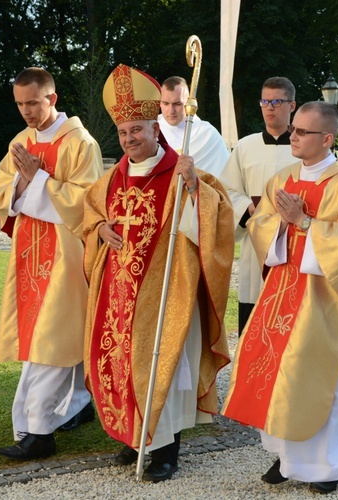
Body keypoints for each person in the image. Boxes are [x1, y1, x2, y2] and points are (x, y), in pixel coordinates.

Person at [83, 64, 233, 483]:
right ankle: (133, 435)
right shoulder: (112, 178)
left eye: (137, 130)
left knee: (160, 360)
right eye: (123, 132)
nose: (130, 139)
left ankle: (166, 450)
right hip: (118, 291)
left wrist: (192, 189)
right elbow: (90, 214)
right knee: (120, 360)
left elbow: (219, 218)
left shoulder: (181, 172)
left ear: (155, 128)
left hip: (166, 289)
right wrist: (99, 228)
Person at [222, 101, 338, 494]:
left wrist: (304, 222)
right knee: (277, 375)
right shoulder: (284, 177)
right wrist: (280, 224)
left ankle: (328, 467)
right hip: (281, 294)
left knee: (317, 377)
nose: (293, 136)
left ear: (327, 139)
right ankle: (287, 457)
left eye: (303, 132)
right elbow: (260, 226)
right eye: (294, 129)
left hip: (323, 299)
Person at [0, 67, 103, 460]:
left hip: (66, 255)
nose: (26, 111)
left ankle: (38, 430)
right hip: (29, 255)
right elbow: (4, 193)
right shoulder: (20, 141)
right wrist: (23, 182)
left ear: (52, 99)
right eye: (20, 104)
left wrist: (38, 180)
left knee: (54, 337)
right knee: (45, 337)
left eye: (33, 103)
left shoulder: (81, 143)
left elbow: (89, 201)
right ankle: (74, 407)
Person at [217, 77, 298, 335]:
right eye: (265, 101)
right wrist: (248, 209)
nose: (270, 107)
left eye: (277, 101)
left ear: (292, 105)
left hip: (294, 238)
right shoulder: (245, 146)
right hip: (256, 240)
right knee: (254, 311)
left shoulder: (304, 145)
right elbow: (227, 189)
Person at [157, 76, 229, 177]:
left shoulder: (207, 134)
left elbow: (226, 179)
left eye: (177, 104)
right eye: (165, 103)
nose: (171, 110)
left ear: (188, 103)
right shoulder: (151, 130)